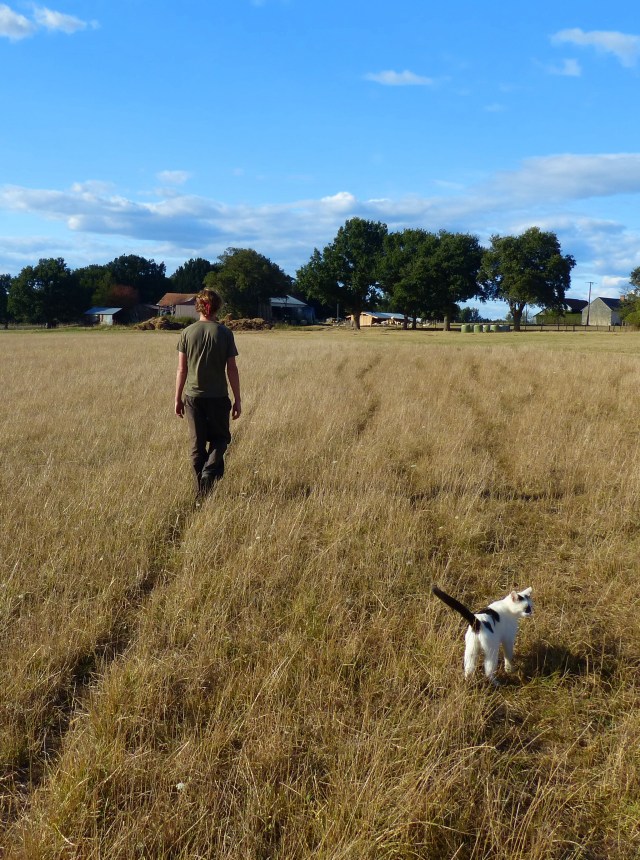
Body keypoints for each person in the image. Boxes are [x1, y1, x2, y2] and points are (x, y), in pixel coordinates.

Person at [174, 287, 241, 498]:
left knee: (197, 444)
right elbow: (231, 368)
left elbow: (181, 369)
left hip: (193, 398)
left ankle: (201, 485)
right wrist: (237, 399)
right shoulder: (224, 333)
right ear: (218, 307)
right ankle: (209, 475)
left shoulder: (187, 333)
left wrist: (177, 398)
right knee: (221, 439)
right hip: (218, 397)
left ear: (198, 307)